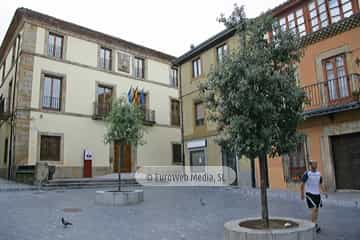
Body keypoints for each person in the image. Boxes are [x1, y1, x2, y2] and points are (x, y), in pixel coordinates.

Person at [300, 160, 327, 233]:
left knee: (317, 210)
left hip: (317, 195)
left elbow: (320, 184)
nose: (315, 165)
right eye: (314, 164)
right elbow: (302, 185)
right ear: (311, 165)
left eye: (316, 163)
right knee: (314, 209)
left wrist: (324, 192)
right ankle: (312, 225)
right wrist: (302, 194)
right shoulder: (307, 174)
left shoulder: (319, 174)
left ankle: (315, 223)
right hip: (309, 194)